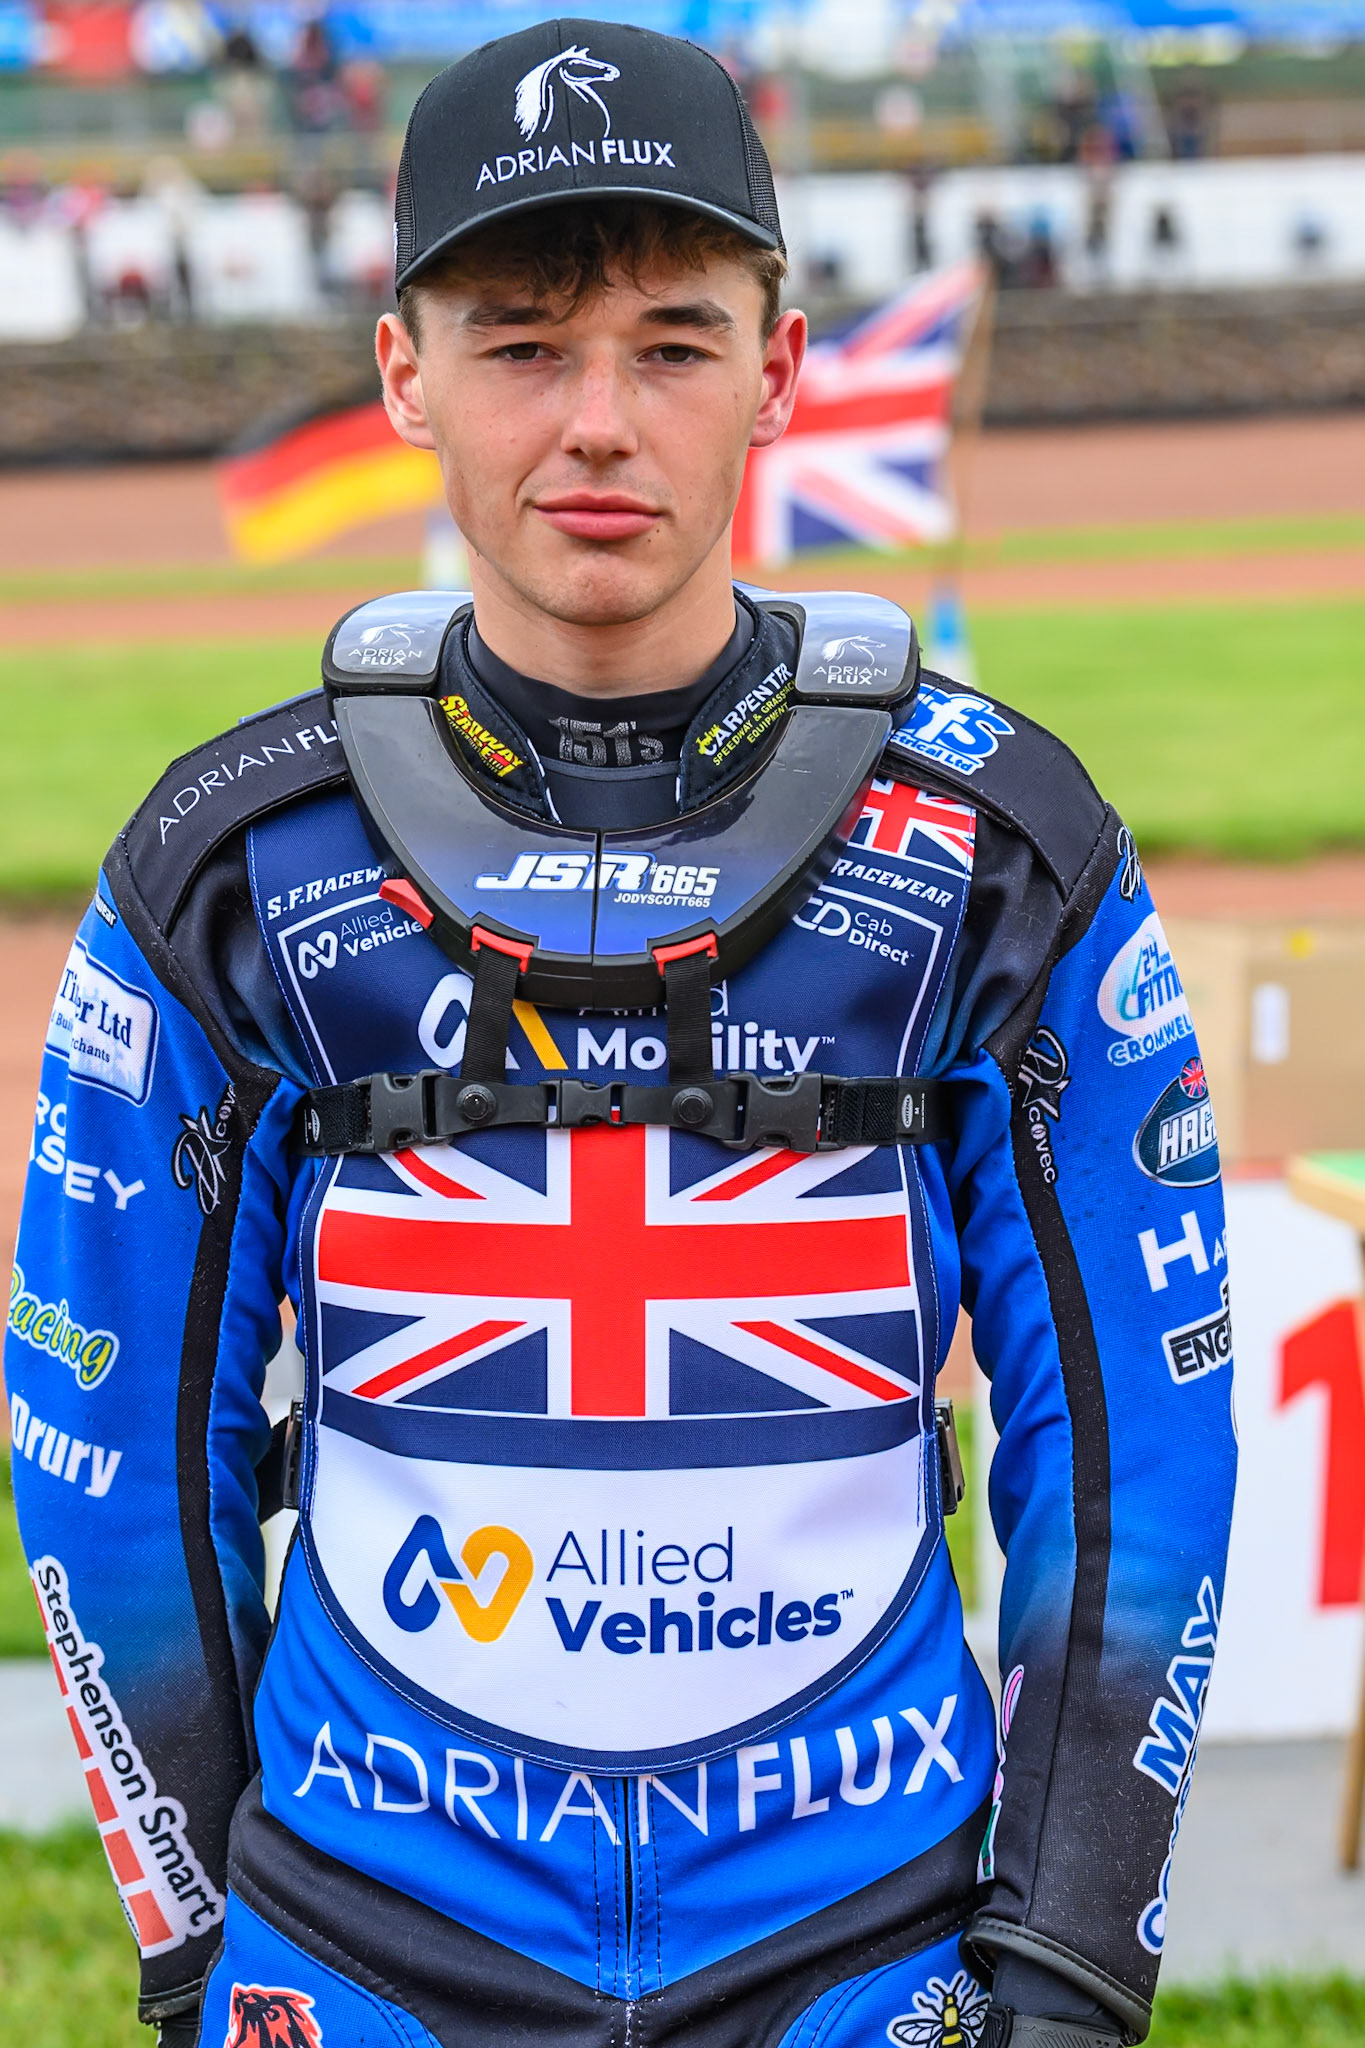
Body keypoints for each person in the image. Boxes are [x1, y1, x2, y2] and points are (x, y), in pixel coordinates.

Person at [7, 20, 1236, 2048]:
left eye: (672, 345)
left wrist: (1072, 1966)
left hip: (864, 1950)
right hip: (362, 1952)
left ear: (779, 367)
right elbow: (110, 1465)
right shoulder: (224, 867)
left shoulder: (999, 847)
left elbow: (1136, 1453)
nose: (597, 422)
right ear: (403, 370)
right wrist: (199, 1948)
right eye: (520, 345)